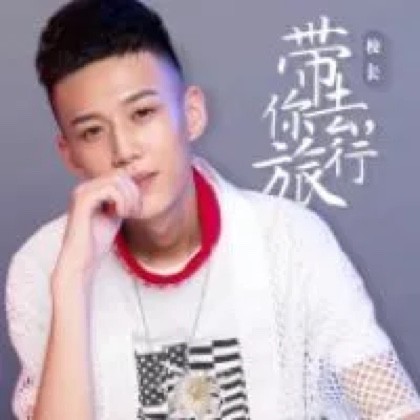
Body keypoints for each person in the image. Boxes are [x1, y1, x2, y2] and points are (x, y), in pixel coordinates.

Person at [5, 0, 420, 419]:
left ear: (192, 114)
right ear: (70, 154)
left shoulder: (291, 240)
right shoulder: (43, 266)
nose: (124, 150)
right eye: (93, 132)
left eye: (143, 113)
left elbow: (395, 409)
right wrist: (72, 281)